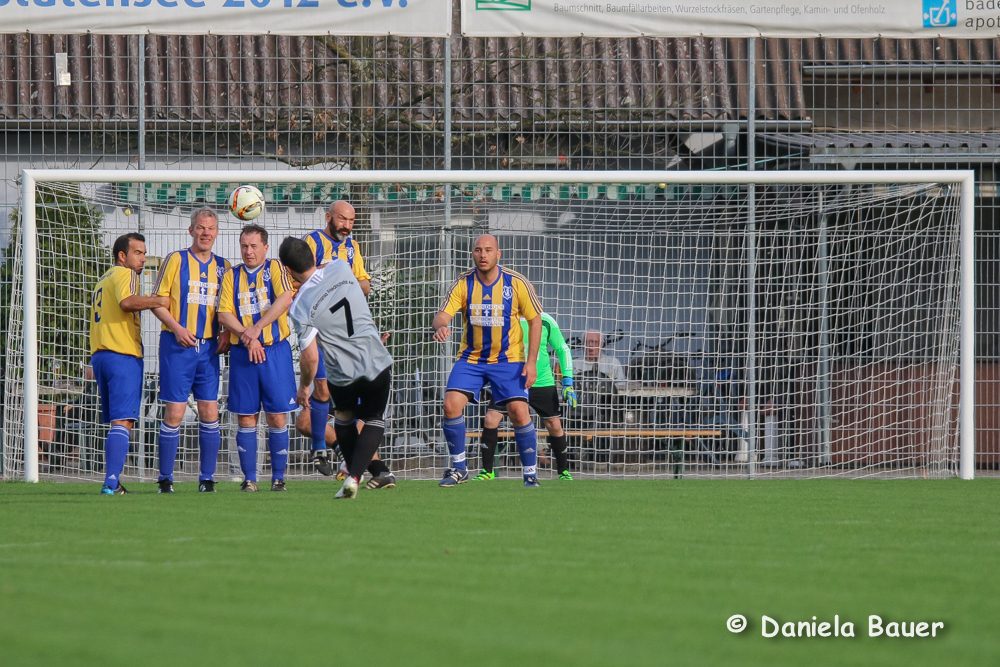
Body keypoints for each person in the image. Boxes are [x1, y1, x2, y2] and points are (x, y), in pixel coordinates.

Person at [280, 237, 394, 499]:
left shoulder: (299, 307)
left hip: (342, 372)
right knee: (374, 418)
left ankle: (354, 475)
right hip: (374, 357)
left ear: (287, 270)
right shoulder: (341, 266)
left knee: (343, 418)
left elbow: (310, 358)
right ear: (314, 256)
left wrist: (304, 387)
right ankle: (354, 476)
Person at [431, 233, 544, 488]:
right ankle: (459, 468)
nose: (483, 255)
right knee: (450, 405)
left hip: (509, 359)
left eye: (488, 250)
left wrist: (532, 361)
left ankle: (530, 474)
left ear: (498, 254)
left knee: (518, 411)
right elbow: (441, 316)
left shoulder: (516, 283)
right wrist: (441, 326)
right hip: (471, 359)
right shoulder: (463, 283)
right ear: (473, 253)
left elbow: (535, 320)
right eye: (478, 250)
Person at [150, 207, 231, 494]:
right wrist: (177, 328)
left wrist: (227, 333)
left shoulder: (225, 266)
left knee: (210, 410)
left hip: (209, 349)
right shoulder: (175, 259)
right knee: (175, 411)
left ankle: (207, 479)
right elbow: (157, 302)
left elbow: (229, 308)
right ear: (191, 231)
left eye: (210, 228)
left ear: (217, 232)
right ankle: (165, 479)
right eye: (200, 227)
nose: (205, 232)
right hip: (177, 346)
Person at [218, 225, 297, 492]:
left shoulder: (275, 268)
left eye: (253, 246)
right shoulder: (231, 275)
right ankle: (249, 479)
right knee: (246, 416)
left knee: (277, 417)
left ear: (265, 247)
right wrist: (247, 334)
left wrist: (257, 328)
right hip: (243, 353)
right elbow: (224, 314)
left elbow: (285, 299)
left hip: (274, 351)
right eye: (244, 246)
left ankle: (278, 478)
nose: (248, 252)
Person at [90, 233, 169, 494]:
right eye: (138, 252)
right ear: (122, 256)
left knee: (117, 421)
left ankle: (114, 481)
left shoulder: (104, 279)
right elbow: (127, 303)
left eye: (144, 253)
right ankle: (111, 483)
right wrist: (158, 301)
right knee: (123, 421)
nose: (143, 258)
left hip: (101, 355)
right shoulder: (126, 275)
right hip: (121, 354)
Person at [474, 311, 578, 481]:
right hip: (510, 382)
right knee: (491, 419)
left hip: (541, 381)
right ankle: (487, 471)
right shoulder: (505, 318)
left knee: (554, 424)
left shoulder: (545, 320)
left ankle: (563, 471)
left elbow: (562, 348)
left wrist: (567, 381)